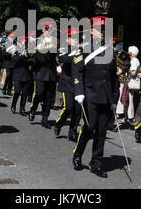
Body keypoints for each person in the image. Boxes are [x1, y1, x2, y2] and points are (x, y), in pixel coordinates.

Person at [72, 16, 121, 178]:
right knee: (89, 126)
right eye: (100, 30)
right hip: (89, 94)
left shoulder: (110, 51)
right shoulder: (84, 49)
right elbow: (77, 72)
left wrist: (114, 99)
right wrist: (79, 91)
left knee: (101, 131)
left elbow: (113, 78)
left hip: (105, 97)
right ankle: (78, 154)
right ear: (92, 31)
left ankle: (96, 162)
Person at [53, 28, 82, 142]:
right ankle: (59, 124)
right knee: (68, 107)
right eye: (73, 38)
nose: (75, 40)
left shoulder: (81, 49)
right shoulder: (63, 48)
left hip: (78, 82)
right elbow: (65, 59)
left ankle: (72, 131)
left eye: (76, 38)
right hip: (67, 82)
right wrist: (78, 54)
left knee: (77, 110)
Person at [28, 22, 58, 129]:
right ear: (43, 31)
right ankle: (33, 110)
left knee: (48, 98)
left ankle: (45, 119)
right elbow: (31, 55)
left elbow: (54, 55)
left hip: (51, 74)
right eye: (47, 30)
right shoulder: (37, 42)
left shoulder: (55, 42)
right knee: (39, 93)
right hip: (40, 72)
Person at [10, 37, 32, 116]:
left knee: (24, 94)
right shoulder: (15, 51)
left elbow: (32, 61)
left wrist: (28, 55)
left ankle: (22, 109)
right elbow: (14, 60)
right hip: (17, 75)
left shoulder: (28, 52)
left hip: (26, 76)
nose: (24, 45)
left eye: (25, 43)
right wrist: (23, 55)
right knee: (17, 92)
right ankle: (13, 105)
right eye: (23, 43)